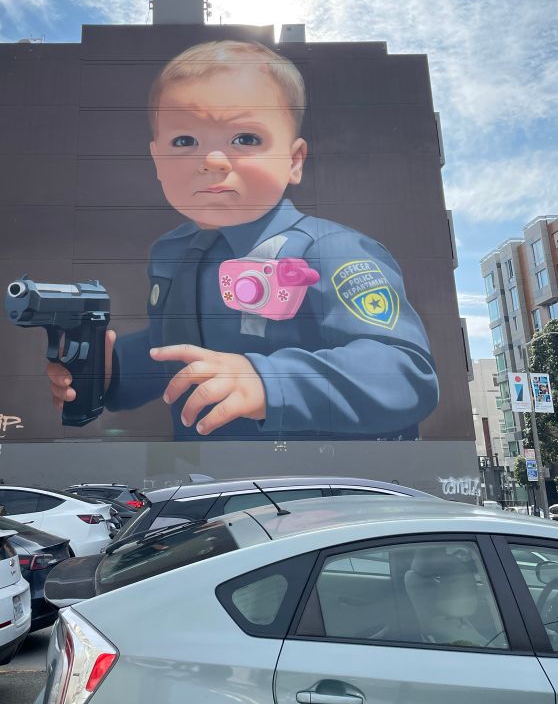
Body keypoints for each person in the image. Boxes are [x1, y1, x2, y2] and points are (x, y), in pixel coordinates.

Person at [47, 40, 439, 439]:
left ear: (294, 161)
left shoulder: (329, 249)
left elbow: (404, 371)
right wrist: (112, 373)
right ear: (157, 160)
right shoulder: (171, 253)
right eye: (184, 141)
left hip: (319, 472)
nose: (212, 161)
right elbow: (176, 351)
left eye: (246, 139)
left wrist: (270, 383)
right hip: (200, 469)